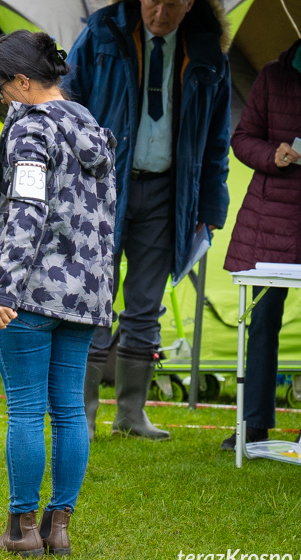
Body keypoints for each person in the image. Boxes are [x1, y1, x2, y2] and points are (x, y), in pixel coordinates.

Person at [0, 31, 116, 557]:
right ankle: (59, 527)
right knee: (69, 411)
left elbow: (25, 212)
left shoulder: (31, 132)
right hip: (84, 299)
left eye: (2, 91)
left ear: (23, 81)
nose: (3, 102)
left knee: (27, 411)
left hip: (30, 297)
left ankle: (19, 531)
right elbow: (104, 222)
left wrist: (3, 288)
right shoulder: (92, 127)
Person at [64, 0, 232, 441]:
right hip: (101, 189)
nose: (160, 10)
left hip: (167, 193)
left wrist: (211, 210)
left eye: (173, 2)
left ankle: (131, 415)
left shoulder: (209, 53)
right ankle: (82, 413)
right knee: (94, 296)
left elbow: (217, 140)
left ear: (191, 3)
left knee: (145, 303)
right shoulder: (102, 31)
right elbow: (67, 103)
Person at [221, 10, 301, 451]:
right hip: (270, 222)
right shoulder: (271, 76)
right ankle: (254, 422)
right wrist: (273, 154)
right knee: (262, 320)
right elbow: (243, 138)